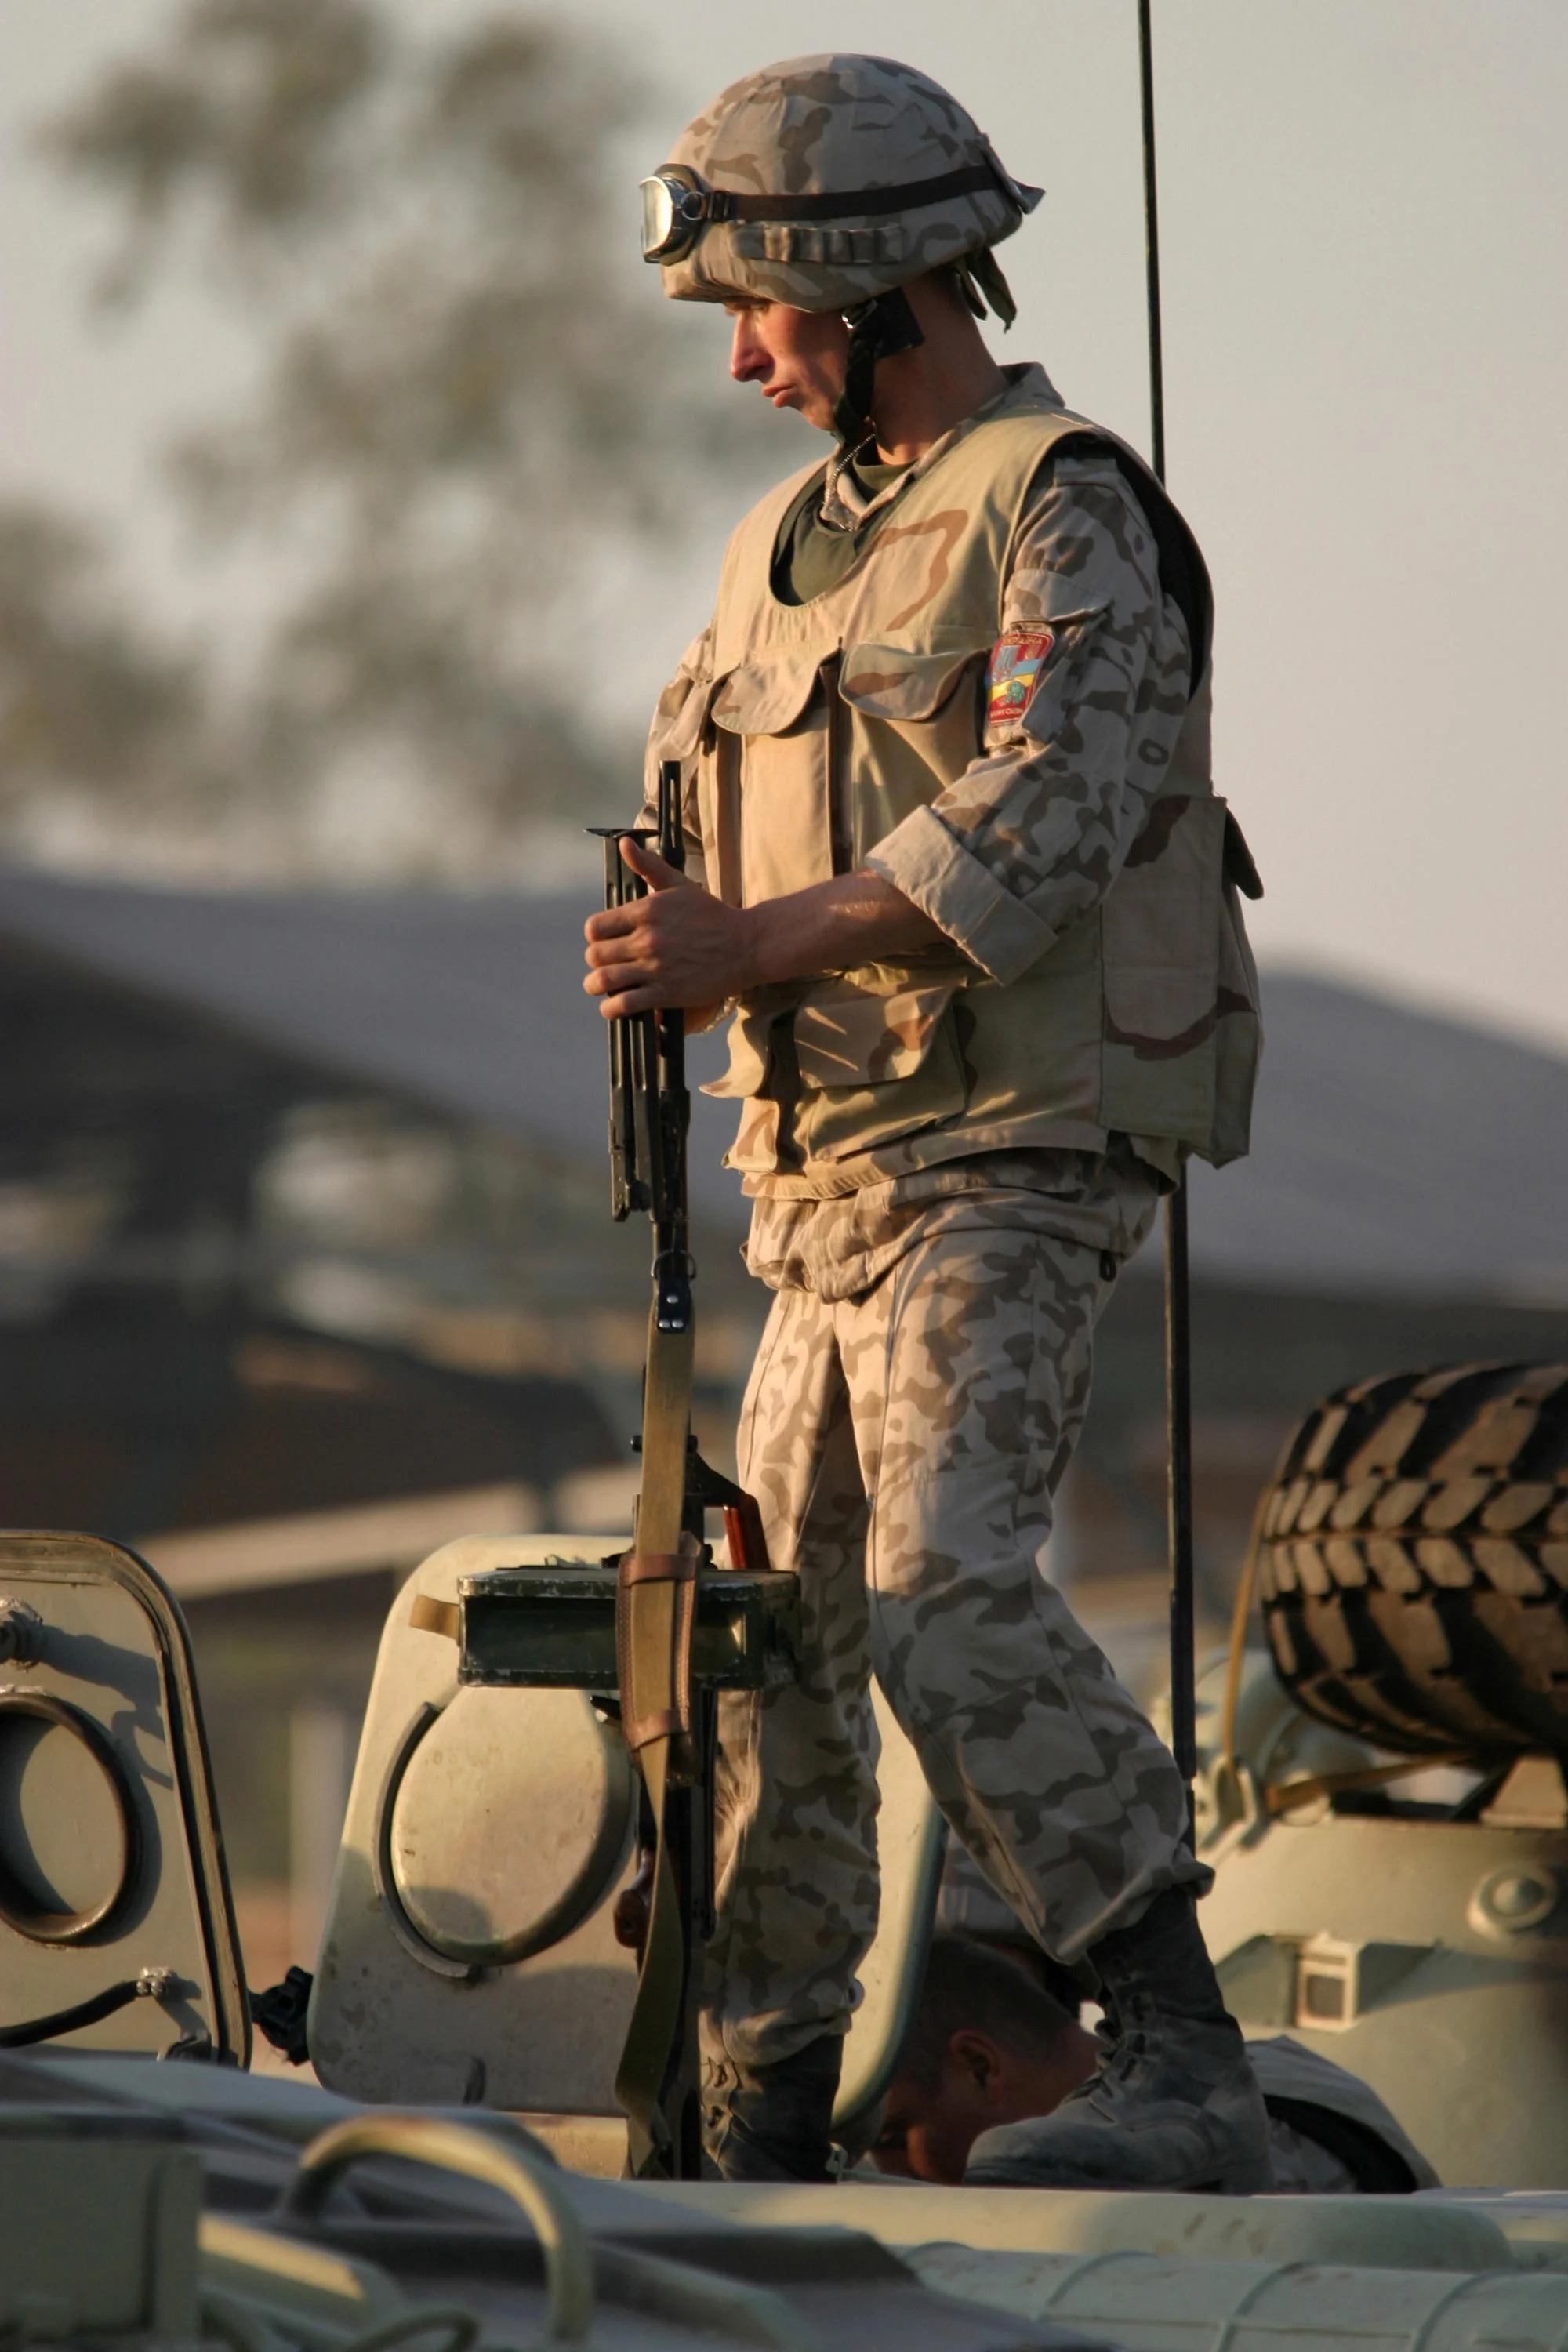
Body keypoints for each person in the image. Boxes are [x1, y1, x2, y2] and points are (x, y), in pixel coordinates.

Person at [583, 54, 1265, 2190]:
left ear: (868, 286)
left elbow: (1046, 825)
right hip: (822, 1190)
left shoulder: (1062, 503)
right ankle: (753, 2102)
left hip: (1010, 1157)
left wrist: (744, 942)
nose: (748, 365)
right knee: (779, 1649)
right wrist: (670, 944)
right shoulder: (775, 555)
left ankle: (1177, 2043)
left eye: (759, 316)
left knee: (951, 1591)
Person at [869, 1935, 1439, 2194]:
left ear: (979, 2066)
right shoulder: (1247, 2082)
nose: (883, 2173)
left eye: (893, 2137)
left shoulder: (1240, 2133)